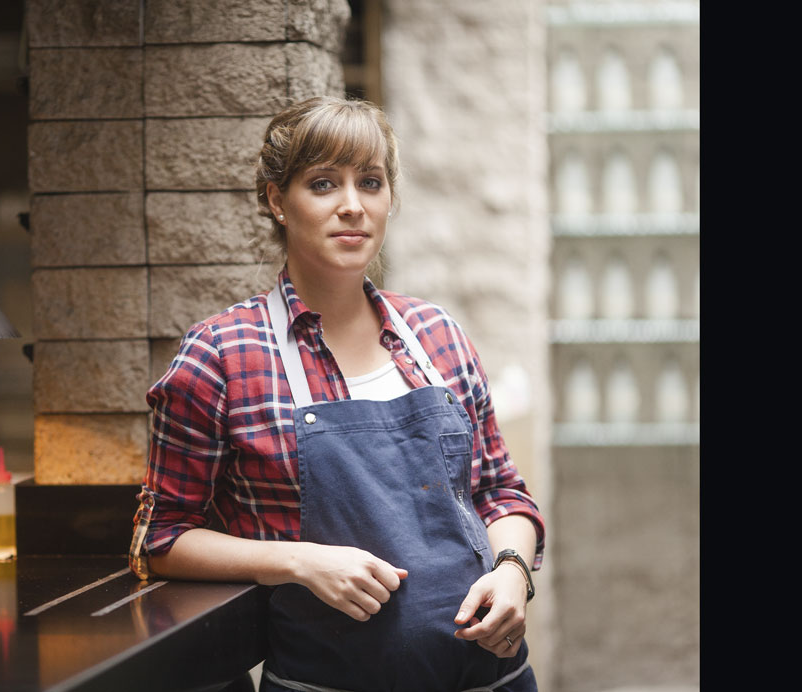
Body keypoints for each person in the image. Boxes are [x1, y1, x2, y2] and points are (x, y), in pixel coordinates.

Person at [129, 96, 546, 692]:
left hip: (493, 680)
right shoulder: (221, 355)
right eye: (323, 183)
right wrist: (298, 561)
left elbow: (500, 492)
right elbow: (161, 539)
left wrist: (511, 573)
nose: (353, 206)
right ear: (278, 201)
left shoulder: (437, 335)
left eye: (370, 182)